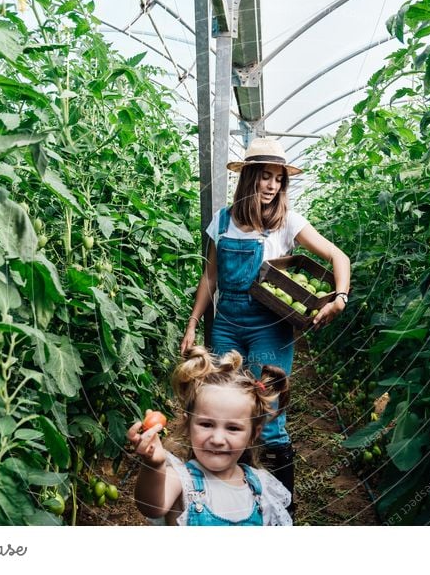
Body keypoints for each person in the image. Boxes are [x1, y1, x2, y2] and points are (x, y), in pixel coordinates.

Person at [179, 137, 351, 510]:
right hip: (226, 325)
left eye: (278, 179)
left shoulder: (287, 223)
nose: (272, 185)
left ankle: (280, 508)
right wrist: (194, 323)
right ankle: (228, 498)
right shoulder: (223, 221)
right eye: (265, 176)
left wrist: (340, 296)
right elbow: (210, 278)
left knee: (269, 416)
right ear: (250, 178)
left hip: (270, 329)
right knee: (224, 408)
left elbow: (338, 255)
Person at [126, 346, 293, 526]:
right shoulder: (182, 480)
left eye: (233, 428)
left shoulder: (262, 487)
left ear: (254, 433)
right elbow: (151, 507)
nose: (217, 439)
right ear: (189, 426)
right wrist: (154, 465)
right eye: (206, 425)